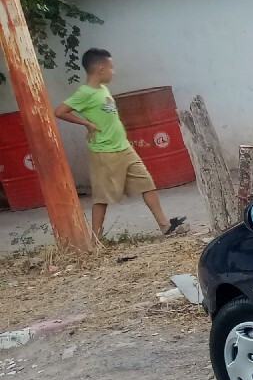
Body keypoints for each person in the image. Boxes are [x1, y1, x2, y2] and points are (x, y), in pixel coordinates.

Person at [54, 48, 186, 241]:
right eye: (111, 67)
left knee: (147, 183)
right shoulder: (85, 93)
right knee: (102, 197)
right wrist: (87, 123)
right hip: (104, 151)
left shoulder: (103, 89)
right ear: (100, 69)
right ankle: (95, 240)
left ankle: (165, 226)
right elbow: (60, 112)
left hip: (124, 147)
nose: (113, 71)